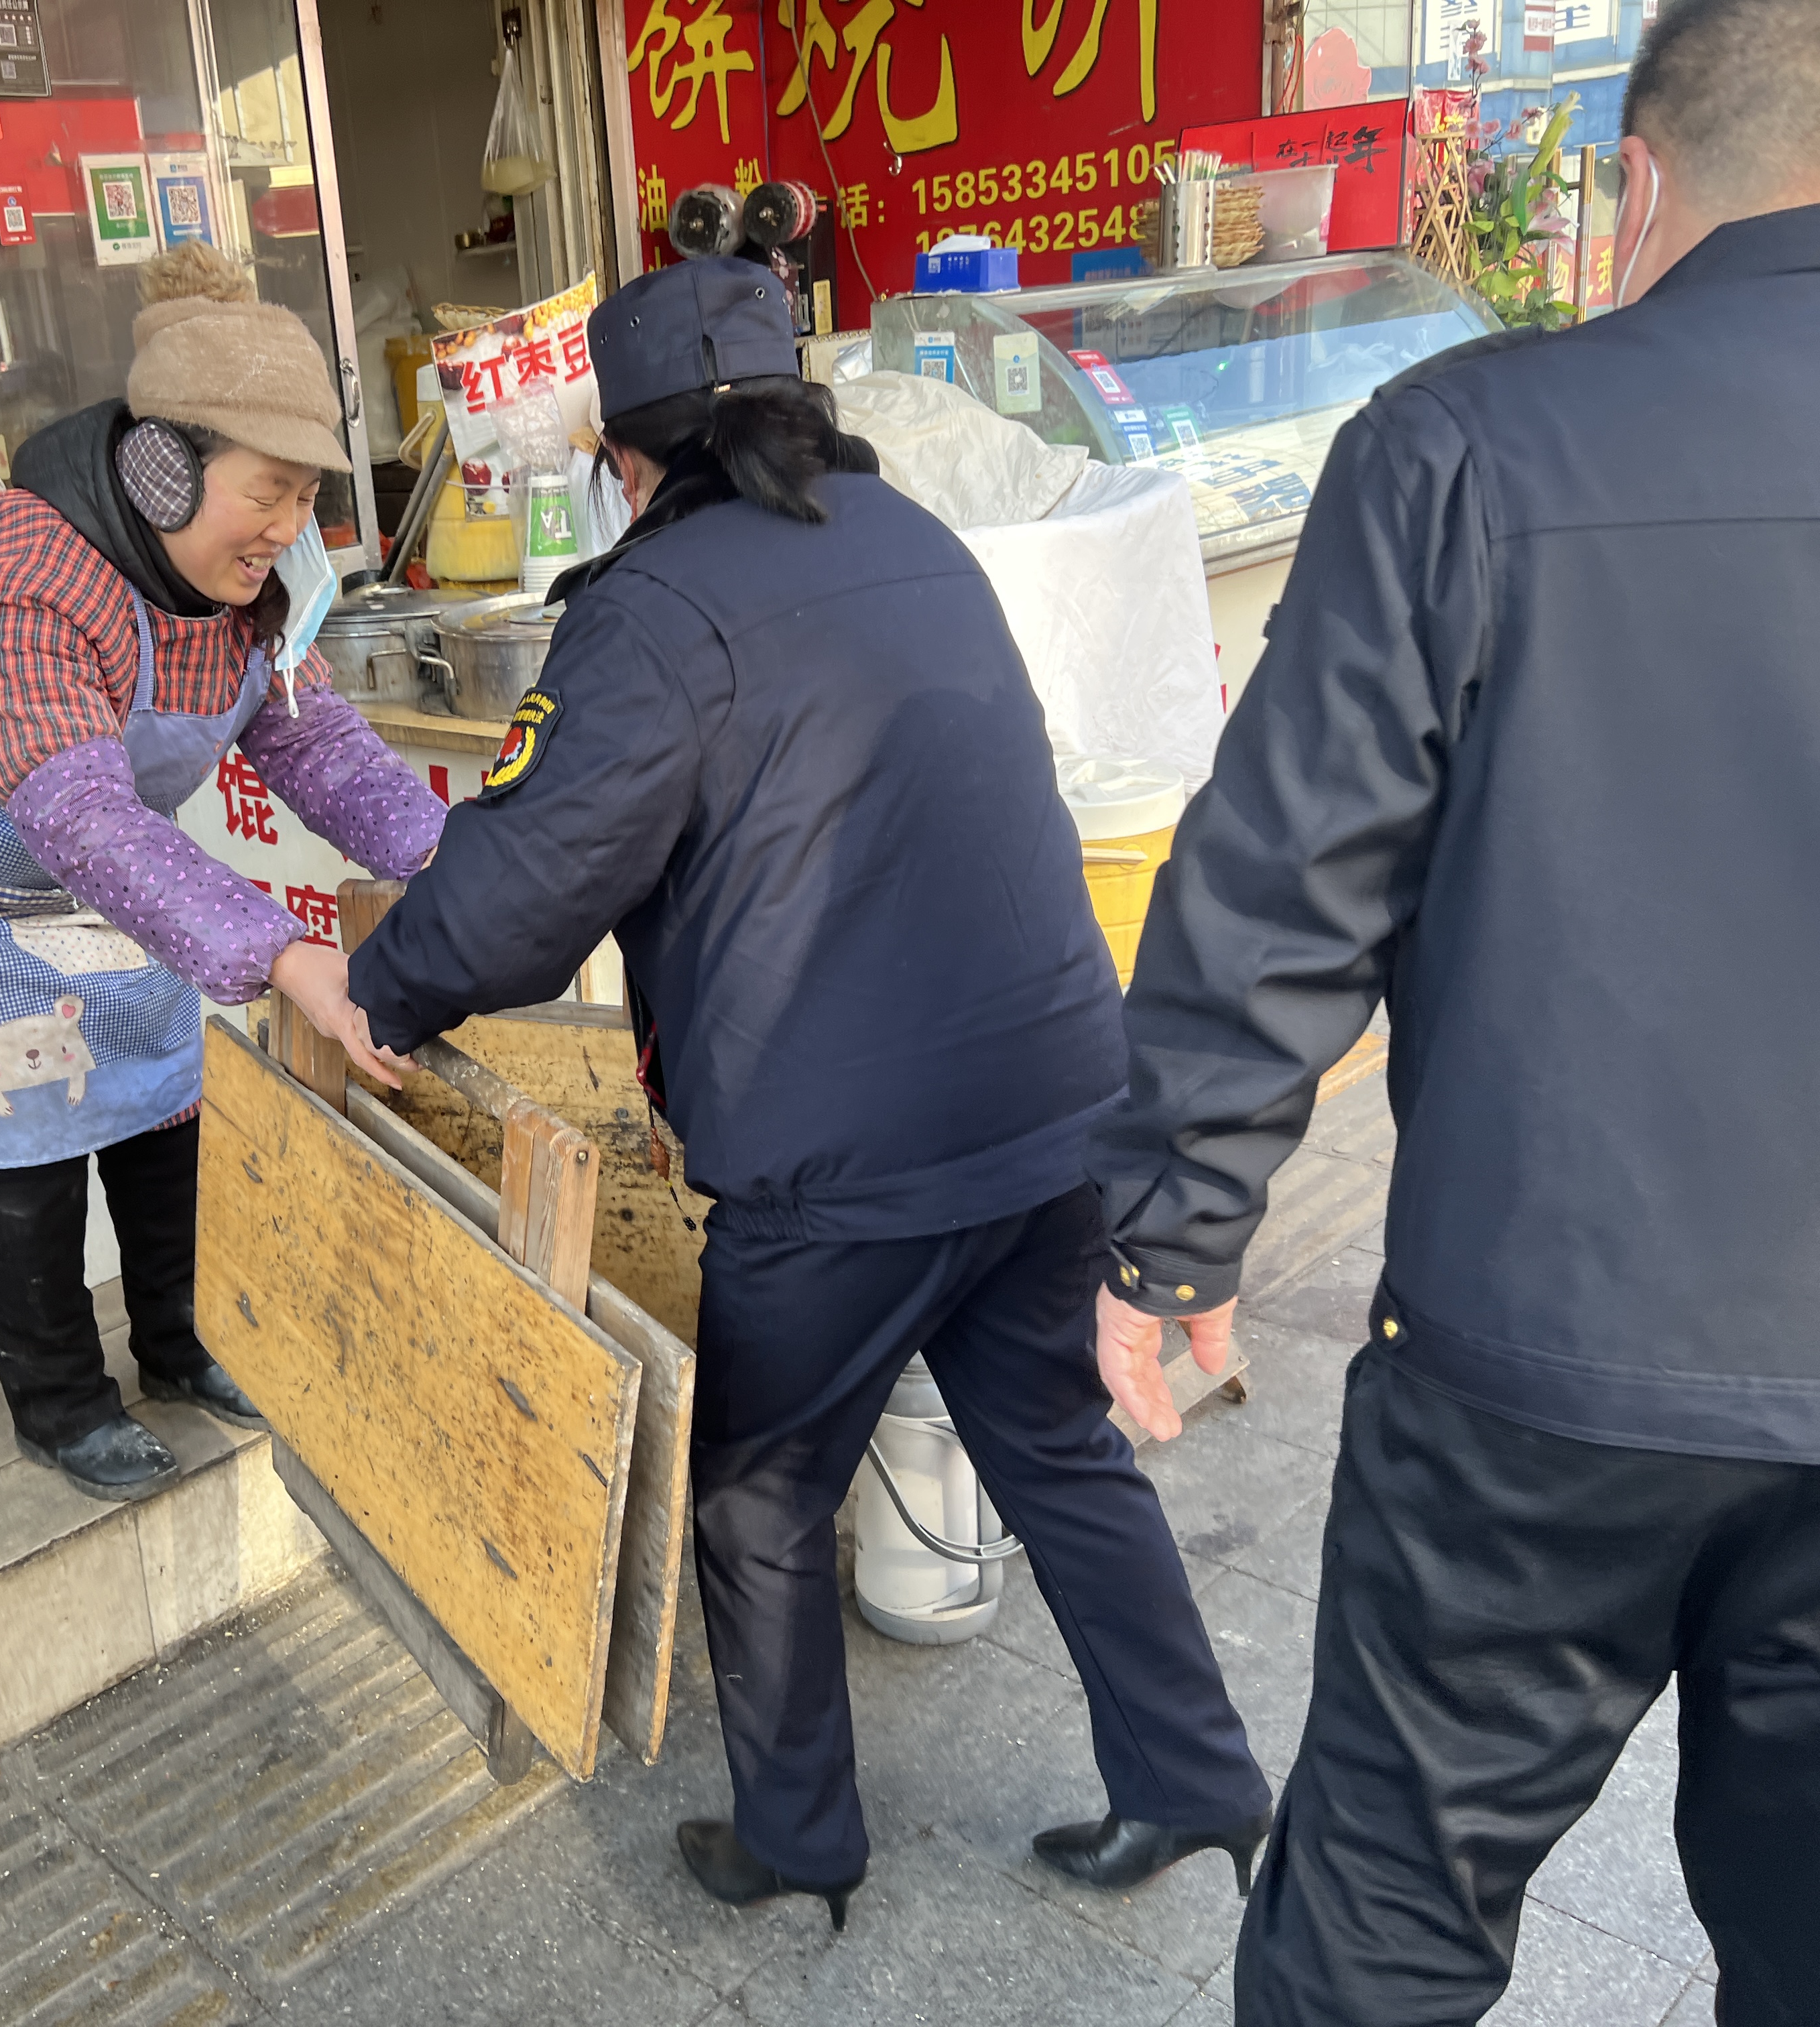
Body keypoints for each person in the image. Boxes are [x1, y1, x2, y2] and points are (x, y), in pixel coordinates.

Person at [341, 257, 1272, 1927]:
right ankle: (1197, 1778)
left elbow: (522, 888)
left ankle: (799, 1839)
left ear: (628, 460)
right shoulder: (915, 539)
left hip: (843, 1167)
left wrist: (381, 994)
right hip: (1058, 1108)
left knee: (761, 1494)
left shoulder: (651, 608)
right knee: (1059, 1451)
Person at [1083, 3, 1820, 2018]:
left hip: (1533, 1356)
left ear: (1639, 183)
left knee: (1386, 1922)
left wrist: (1173, 1236)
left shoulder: (1470, 443)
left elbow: (1287, 874)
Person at [0, 243, 445, 1505]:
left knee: (163, 1092)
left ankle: (184, 1340)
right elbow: (78, 811)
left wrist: (453, 859)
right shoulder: (23, 571)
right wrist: (285, 954)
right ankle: (60, 1402)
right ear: (161, 469)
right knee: (25, 1125)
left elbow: (312, 741)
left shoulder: (256, 581)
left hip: (93, 857)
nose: (290, 529)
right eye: (268, 493)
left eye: (308, 495)